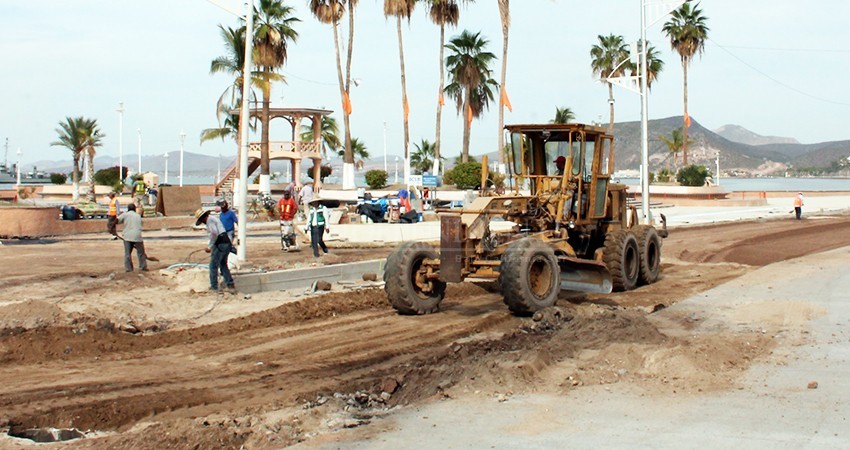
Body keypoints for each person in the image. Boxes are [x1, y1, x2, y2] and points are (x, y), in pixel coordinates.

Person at [195, 208, 236, 293]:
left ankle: (214, 286)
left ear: (202, 218)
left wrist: (210, 246)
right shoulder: (213, 219)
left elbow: (214, 233)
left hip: (220, 243)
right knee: (223, 264)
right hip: (226, 242)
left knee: (213, 265)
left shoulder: (210, 221)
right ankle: (230, 284)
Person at [117, 203, 147, 272]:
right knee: (141, 253)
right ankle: (143, 267)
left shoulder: (125, 215)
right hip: (137, 236)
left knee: (127, 253)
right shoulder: (138, 216)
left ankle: (128, 269)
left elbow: (117, 221)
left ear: (128, 209)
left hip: (127, 236)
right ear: (134, 209)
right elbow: (141, 224)